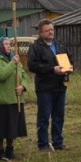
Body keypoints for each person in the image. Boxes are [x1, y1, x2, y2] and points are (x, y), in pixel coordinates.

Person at [27, 19, 72, 152]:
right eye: (47, 30)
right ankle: (43, 145)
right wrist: (52, 69)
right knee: (44, 117)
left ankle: (58, 143)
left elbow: (69, 57)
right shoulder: (35, 47)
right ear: (41, 33)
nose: (50, 32)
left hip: (60, 85)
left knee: (59, 116)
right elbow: (32, 65)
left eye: (52, 29)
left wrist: (70, 66)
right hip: (45, 88)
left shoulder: (60, 45)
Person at [0, 37, 28, 161]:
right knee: (0, 128)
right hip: (1, 100)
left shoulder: (14, 59)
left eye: (9, 44)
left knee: (12, 127)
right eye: (5, 44)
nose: (9, 46)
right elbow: (1, 75)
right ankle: (0, 151)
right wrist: (12, 63)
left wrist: (23, 86)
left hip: (15, 99)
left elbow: (24, 75)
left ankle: (10, 149)